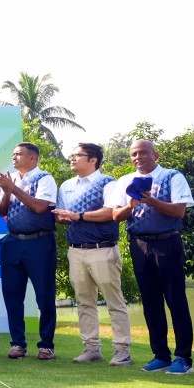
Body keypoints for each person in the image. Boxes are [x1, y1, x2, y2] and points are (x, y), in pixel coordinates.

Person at [111, 140, 194, 375]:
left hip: (167, 243)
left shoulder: (172, 176)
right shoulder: (125, 181)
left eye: (143, 153)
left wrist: (151, 201)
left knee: (176, 301)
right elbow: (116, 216)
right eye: (133, 154)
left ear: (155, 155)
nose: (138, 157)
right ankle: (161, 356)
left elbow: (179, 211)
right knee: (151, 303)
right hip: (139, 244)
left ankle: (184, 358)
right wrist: (130, 205)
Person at [53, 143, 131, 366]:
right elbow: (61, 215)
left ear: (93, 160)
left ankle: (122, 350)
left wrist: (77, 215)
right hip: (76, 250)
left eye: (78, 155)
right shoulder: (67, 186)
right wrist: (62, 217)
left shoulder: (108, 182)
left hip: (102, 249)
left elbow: (110, 212)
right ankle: (91, 348)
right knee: (84, 302)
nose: (72, 158)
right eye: (72, 155)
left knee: (114, 301)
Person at [0, 142, 59, 360]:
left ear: (33, 158)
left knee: (44, 296)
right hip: (13, 242)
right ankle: (17, 344)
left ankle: (46, 345)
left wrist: (13, 189)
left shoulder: (44, 178)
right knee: (12, 296)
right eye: (13, 154)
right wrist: (6, 191)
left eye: (19, 154)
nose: (14, 157)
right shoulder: (12, 180)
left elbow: (40, 207)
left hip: (39, 242)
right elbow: (2, 211)